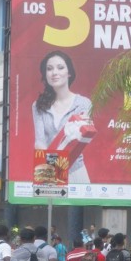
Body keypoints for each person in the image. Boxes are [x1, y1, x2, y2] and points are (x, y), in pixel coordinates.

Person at [33, 50, 93, 183]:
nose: (54, 73)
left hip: (76, 169)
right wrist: (52, 169)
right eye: (49, 69)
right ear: (45, 74)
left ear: (69, 72)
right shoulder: (38, 105)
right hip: (49, 169)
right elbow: (39, 142)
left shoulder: (83, 103)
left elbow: (79, 140)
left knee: (78, 205)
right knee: (49, 204)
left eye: (60, 67)